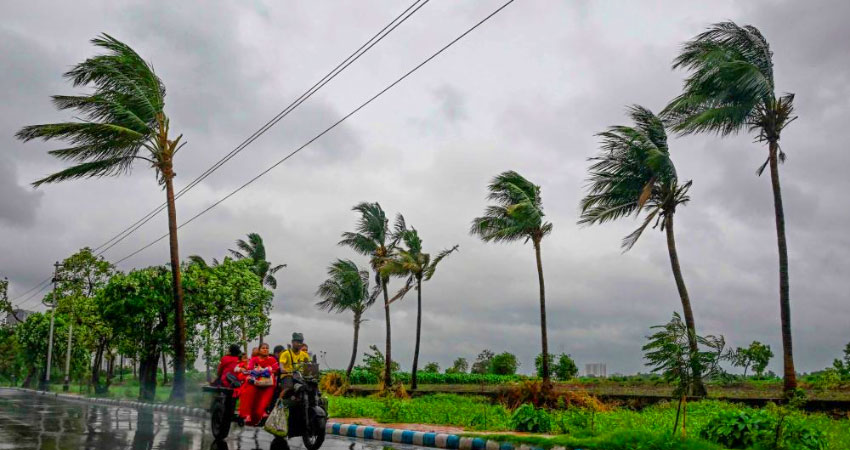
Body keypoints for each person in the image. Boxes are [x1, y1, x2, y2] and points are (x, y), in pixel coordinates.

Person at [238, 344, 279, 425]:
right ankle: (247, 414)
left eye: (267, 348)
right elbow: (250, 370)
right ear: (259, 350)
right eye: (263, 348)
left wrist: (267, 371)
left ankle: (259, 415)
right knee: (248, 387)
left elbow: (276, 370)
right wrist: (258, 372)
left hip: (268, 385)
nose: (265, 349)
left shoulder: (273, 360)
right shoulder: (254, 360)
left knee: (261, 407)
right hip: (256, 384)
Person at [278, 332, 311, 403]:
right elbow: (281, 364)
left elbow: (309, 365)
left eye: (301, 342)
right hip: (288, 375)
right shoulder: (286, 354)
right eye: (297, 342)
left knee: (311, 386)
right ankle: (279, 403)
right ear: (292, 342)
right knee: (289, 387)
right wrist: (282, 369)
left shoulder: (305, 355)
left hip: (301, 376)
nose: (299, 344)